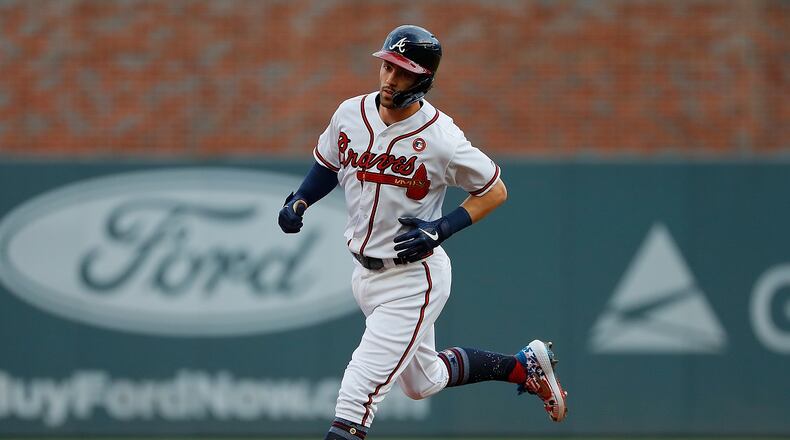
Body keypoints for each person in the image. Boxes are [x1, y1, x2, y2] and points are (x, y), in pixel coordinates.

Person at [278, 24, 568, 439]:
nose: (390, 78)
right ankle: (523, 367)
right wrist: (300, 200)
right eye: (387, 67)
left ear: (424, 79)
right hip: (365, 274)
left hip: (413, 280)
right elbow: (328, 163)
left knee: (356, 395)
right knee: (423, 381)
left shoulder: (442, 138)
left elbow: (494, 190)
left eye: (403, 71)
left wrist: (441, 228)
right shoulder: (350, 113)